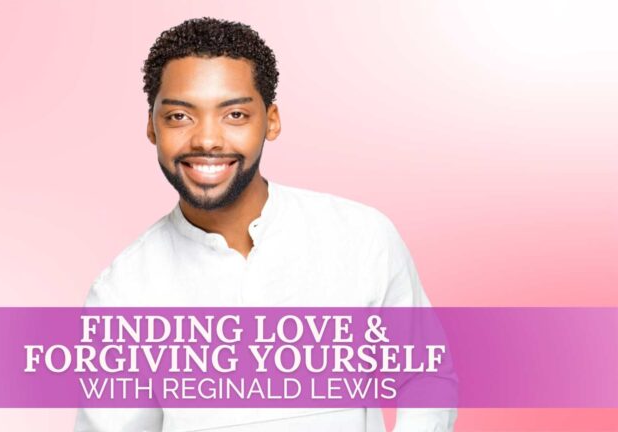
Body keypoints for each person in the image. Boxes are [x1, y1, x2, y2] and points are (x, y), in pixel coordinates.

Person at [75, 17, 457, 432]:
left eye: (235, 114)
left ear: (270, 120)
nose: (206, 139)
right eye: (180, 116)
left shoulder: (361, 238)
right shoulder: (123, 291)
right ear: (152, 126)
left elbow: (426, 377)